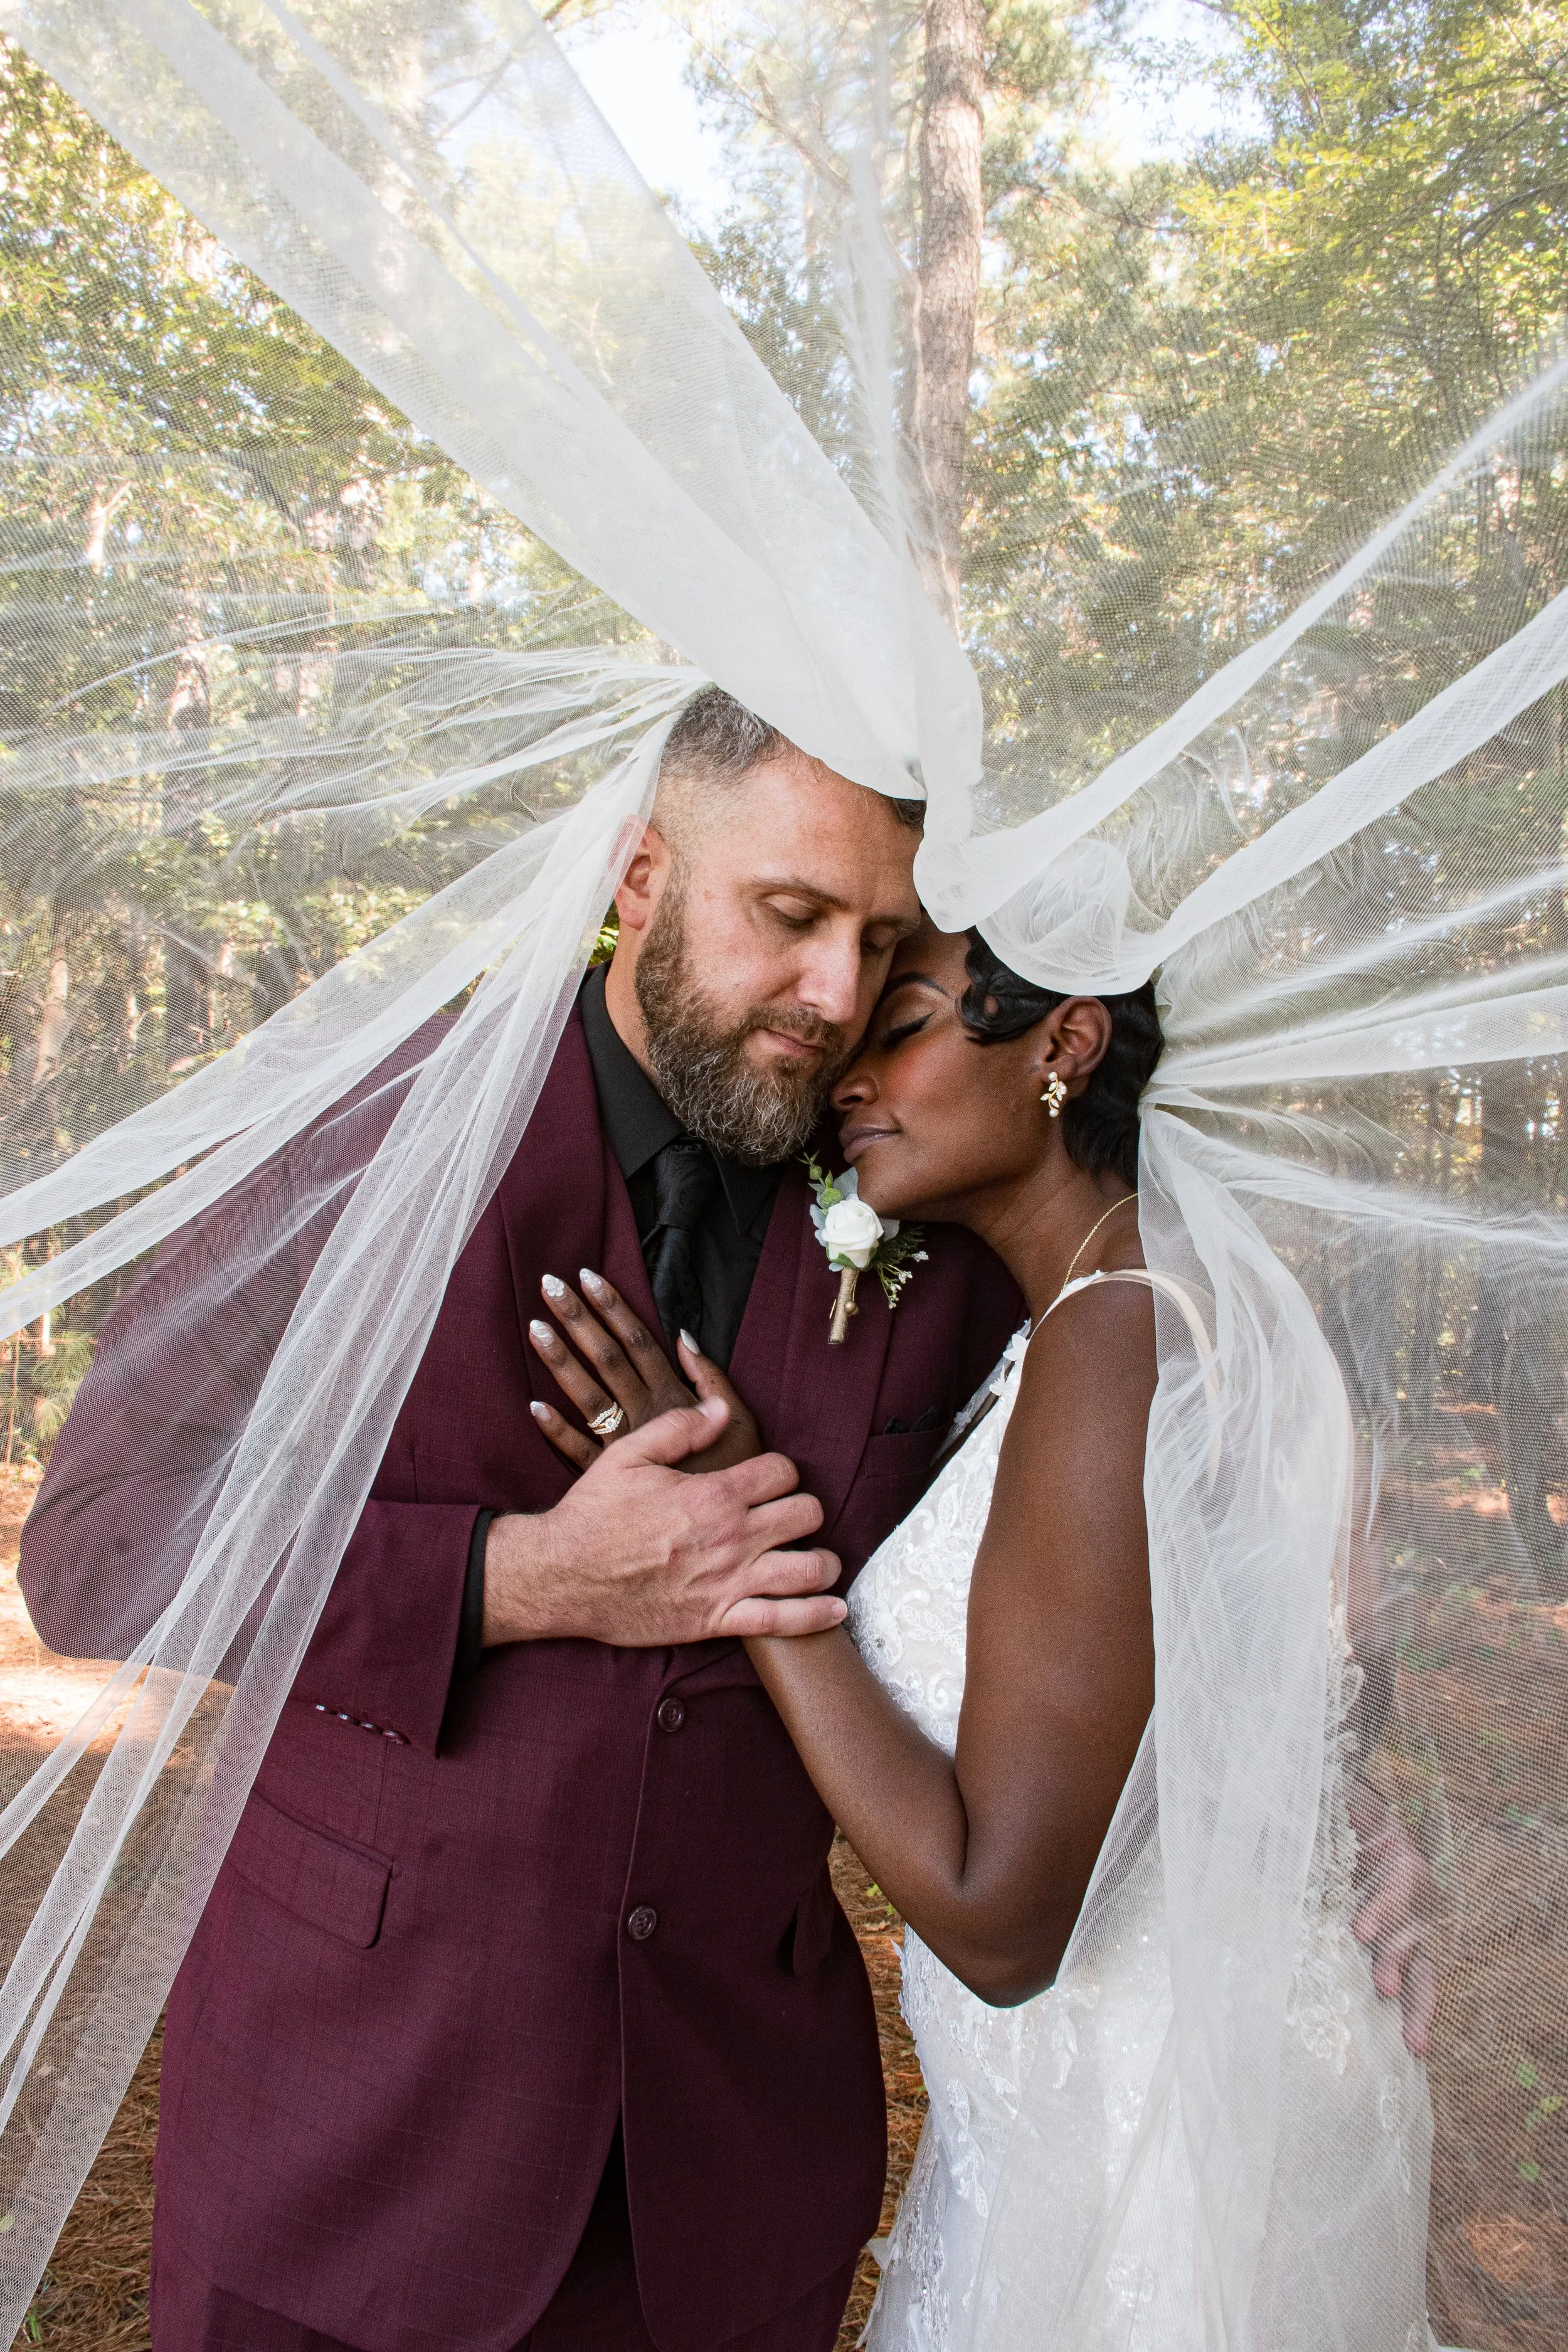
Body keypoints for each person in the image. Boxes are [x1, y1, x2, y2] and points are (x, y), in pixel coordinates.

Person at [18, 692, 1022, 2352]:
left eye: (879, 941)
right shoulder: (362, 1128)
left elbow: (1104, 1537)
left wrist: (1321, 1816)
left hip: (724, 2179)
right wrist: (521, 1573)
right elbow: (101, 1539)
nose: (834, 996)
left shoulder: (927, 1208)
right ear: (637, 874)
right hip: (347, 2131)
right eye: (787, 916)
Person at [539, 919, 1443, 2352]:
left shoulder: (1114, 1336)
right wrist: (1328, 1806)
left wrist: (739, 1546)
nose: (847, 1073)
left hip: (1135, 2163)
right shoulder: (1172, 1310)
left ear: (1062, 1046)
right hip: (1183, 2111)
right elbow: (1315, 1664)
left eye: (900, 1024)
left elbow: (1002, 1918)